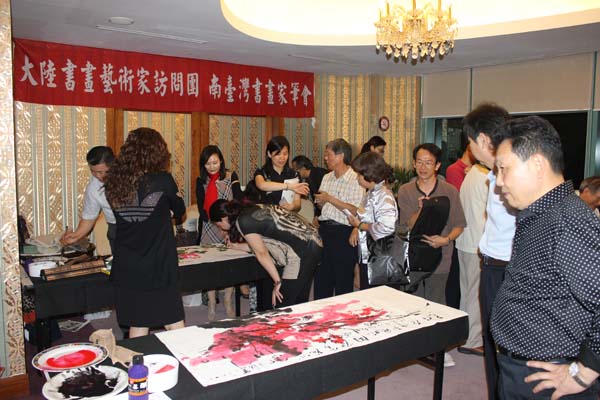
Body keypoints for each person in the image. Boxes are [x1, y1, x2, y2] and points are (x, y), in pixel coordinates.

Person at [490, 116, 600, 399]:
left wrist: (585, 371)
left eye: (504, 169)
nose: (499, 182)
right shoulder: (542, 213)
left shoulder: (567, 220)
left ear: (537, 165)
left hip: (547, 377)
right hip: (522, 368)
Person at [105, 127, 185, 338]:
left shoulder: (114, 183)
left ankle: (137, 360)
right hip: (159, 264)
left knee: (139, 323)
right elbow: (179, 210)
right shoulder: (163, 180)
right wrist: (166, 211)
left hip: (128, 264)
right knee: (173, 322)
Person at [396, 143, 465, 368]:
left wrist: (446, 239)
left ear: (437, 165)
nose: (423, 167)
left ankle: (439, 349)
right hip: (414, 255)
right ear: (413, 164)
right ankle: (415, 346)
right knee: (413, 301)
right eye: (419, 162)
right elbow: (406, 226)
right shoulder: (406, 190)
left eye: (428, 162)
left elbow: (459, 224)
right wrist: (421, 210)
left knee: (437, 301)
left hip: (441, 253)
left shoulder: (449, 191)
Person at [462, 102, 513, 399]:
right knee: (493, 342)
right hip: (491, 265)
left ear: (482, 140)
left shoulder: (511, 176)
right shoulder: (492, 175)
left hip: (507, 269)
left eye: (470, 142)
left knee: (504, 344)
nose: (470, 149)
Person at [210, 199, 322, 307]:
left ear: (223, 219)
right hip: (314, 241)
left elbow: (262, 253)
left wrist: (277, 282)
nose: (221, 229)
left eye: (218, 225)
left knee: (283, 302)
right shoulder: (251, 209)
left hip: (301, 251)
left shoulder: (242, 222)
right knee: (299, 301)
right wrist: (237, 246)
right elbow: (262, 245)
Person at [195, 145, 243, 321]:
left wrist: (227, 227)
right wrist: (216, 224)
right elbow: (201, 208)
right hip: (209, 225)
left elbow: (237, 201)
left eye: (215, 162)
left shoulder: (231, 176)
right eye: (208, 164)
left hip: (228, 224)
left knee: (229, 265)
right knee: (210, 266)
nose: (212, 167)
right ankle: (212, 303)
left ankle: (228, 300)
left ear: (221, 161)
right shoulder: (201, 181)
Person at [314, 139, 365, 299]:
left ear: (341, 156)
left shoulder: (356, 179)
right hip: (324, 231)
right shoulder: (326, 177)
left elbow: (356, 210)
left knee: (343, 281)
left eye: (328, 155)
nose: (325, 158)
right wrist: (321, 203)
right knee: (322, 280)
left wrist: (330, 199)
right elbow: (322, 205)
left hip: (344, 233)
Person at [346, 152, 397, 290]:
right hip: (368, 253)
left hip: (380, 257)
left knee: (378, 295)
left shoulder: (384, 196)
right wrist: (357, 226)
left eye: (359, 175)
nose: (357, 178)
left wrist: (360, 225)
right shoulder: (371, 192)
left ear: (369, 174)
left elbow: (387, 227)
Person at [455, 162, 489, 356]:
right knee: (474, 294)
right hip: (477, 241)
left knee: (467, 292)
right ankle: (472, 340)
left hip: (465, 240)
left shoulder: (473, 173)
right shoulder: (485, 175)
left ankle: (465, 335)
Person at [61, 146, 116, 252]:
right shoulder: (93, 187)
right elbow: (89, 217)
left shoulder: (128, 178)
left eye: (102, 172)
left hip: (137, 226)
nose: (98, 176)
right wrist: (76, 236)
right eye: (93, 171)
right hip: (115, 228)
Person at [444, 144, 475, 310]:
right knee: (463, 285)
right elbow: (459, 202)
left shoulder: (476, 171)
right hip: (461, 232)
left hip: (469, 234)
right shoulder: (455, 170)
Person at [254, 136, 309, 211]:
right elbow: (262, 185)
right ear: (269, 154)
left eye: (285, 154)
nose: (282, 158)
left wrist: (292, 206)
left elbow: (297, 204)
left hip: (286, 215)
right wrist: (289, 186)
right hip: (266, 215)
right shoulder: (261, 173)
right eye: (278, 154)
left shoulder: (294, 175)